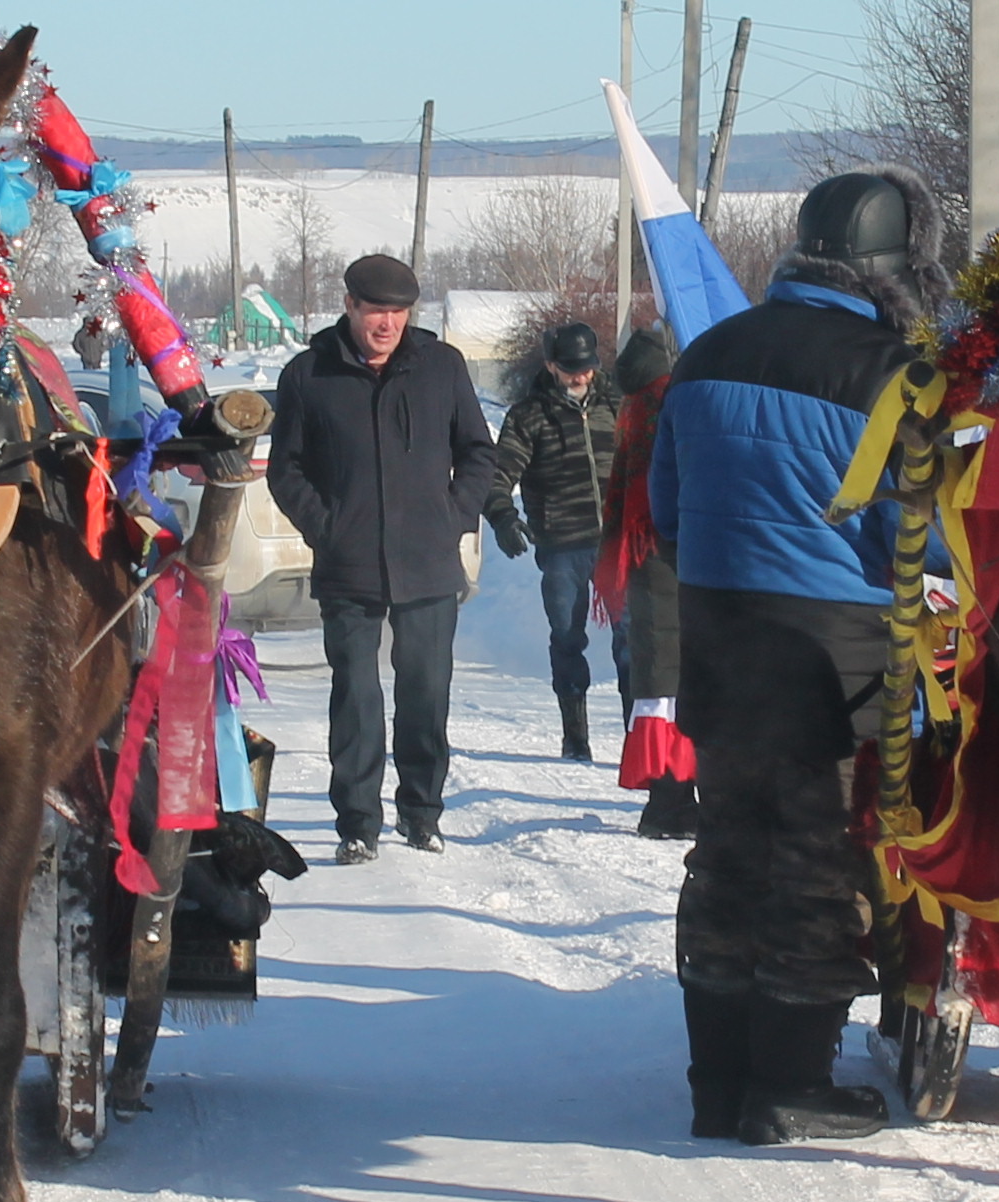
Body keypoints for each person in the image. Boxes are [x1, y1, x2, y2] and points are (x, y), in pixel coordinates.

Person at [652, 173, 934, 1143]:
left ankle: (715, 1085)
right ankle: (789, 1084)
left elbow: (666, 514)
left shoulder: (705, 354)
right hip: (835, 662)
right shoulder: (896, 373)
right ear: (892, 272)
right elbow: (921, 536)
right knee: (820, 866)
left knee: (728, 857)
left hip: (721, 644)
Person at [265, 252, 502, 863]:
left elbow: (478, 453)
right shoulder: (308, 375)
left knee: (425, 692)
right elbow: (285, 471)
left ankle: (422, 813)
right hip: (348, 566)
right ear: (349, 306)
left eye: (398, 313)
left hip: (427, 564)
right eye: (376, 311)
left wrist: (451, 517)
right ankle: (357, 822)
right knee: (357, 696)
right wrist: (327, 528)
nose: (387, 324)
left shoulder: (441, 368)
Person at [486, 319, 616, 762]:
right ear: (551, 366)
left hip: (617, 544)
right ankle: (575, 736)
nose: (580, 376)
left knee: (637, 640)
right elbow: (498, 476)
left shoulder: (617, 406)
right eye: (570, 368)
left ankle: (638, 736)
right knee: (567, 637)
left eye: (587, 367)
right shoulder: (529, 416)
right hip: (563, 545)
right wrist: (504, 517)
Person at [597, 323, 698, 838]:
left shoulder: (635, 408)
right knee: (674, 686)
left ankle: (671, 799)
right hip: (670, 560)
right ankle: (670, 804)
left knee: (657, 685)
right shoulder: (668, 406)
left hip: (640, 564)